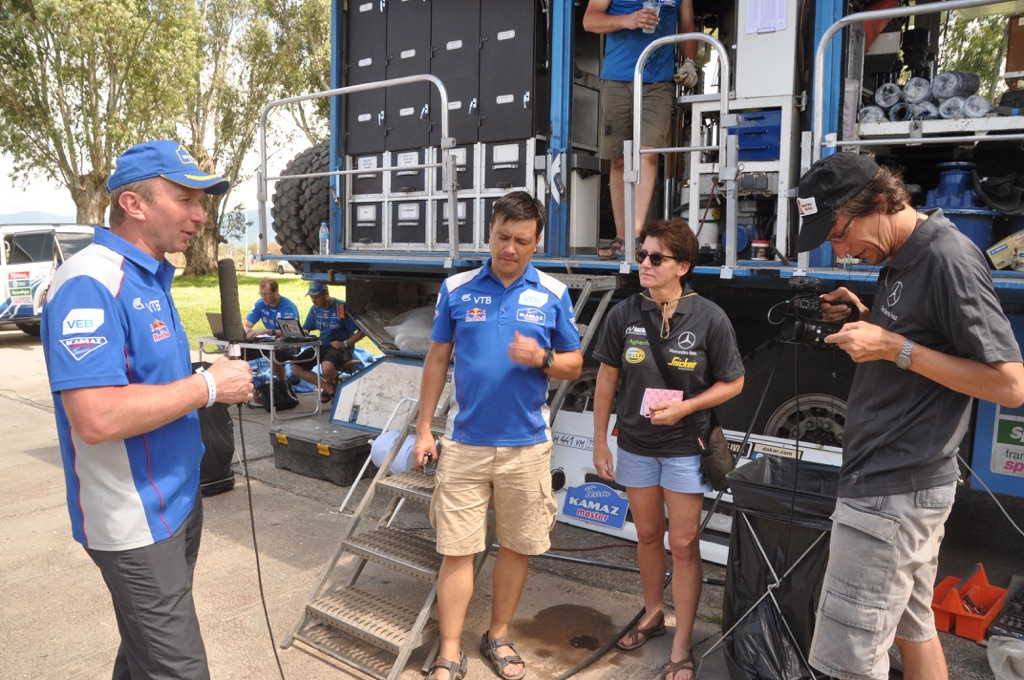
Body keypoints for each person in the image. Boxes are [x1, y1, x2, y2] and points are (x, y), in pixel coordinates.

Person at [795, 152, 1024, 680]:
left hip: (893, 489)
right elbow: (923, 343)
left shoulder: (947, 258)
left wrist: (893, 347)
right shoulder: (904, 255)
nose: (841, 251)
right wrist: (866, 319)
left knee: (849, 661)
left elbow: (1010, 385)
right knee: (912, 627)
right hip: (900, 486)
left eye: (838, 234)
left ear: (879, 202)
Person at [39, 140, 255, 679]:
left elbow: (152, 383)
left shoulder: (151, 275)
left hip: (178, 504)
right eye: (186, 199)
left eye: (201, 202)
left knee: (143, 656)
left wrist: (207, 379)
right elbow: (97, 417)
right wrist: (208, 386)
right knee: (178, 669)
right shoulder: (90, 282)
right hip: (134, 520)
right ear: (134, 204)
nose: (200, 216)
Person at [411, 191, 583, 680]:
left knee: (516, 546)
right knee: (457, 549)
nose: (510, 248)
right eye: (503, 236)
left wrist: (542, 358)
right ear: (490, 232)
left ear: (537, 242)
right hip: (464, 444)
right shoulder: (457, 288)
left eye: (521, 241)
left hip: (526, 448)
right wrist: (424, 429)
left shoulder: (552, 293)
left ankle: (499, 635)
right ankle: (450, 650)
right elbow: (437, 360)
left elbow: (574, 364)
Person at [591, 218, 744, 680]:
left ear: (683, 266)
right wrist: (600, 441)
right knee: (646, 535)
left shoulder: (710, 317)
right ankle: (654, 613)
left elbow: (734, 382)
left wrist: (686, 408)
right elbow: (606, 379)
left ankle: (682, 642)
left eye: (656, 257)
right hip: (636, 445)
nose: (644, 263)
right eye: (642, 255)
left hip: (684, 448)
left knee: (683, 543)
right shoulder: (624, 314)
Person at [583, 0, 697, 260]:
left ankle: (634, 236)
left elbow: (688, 25)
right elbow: (590, 21)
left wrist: (690, 62)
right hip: (617, 78)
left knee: (649, 154)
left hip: (659, 81)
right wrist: (629, 19)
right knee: (619, 159)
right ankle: (622, 236)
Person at [290, 281, 366, 403]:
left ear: (326, 294)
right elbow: (306, 328)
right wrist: (304, 332)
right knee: (295, 367)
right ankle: (329, 388)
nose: (314, 300)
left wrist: (345, 344)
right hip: (321, 346)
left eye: (317, 297)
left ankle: (329, 388)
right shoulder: (315, 309)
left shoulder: (341, 308)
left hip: (339, 348)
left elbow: (363, 331)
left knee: (327, 366)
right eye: (311, 297)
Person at [242, 276, 299, 384]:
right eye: (261, 294)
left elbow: (291, 332)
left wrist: (268, 331)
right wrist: (246, 332)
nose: (264, 298)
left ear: (276, 291)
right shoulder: (260, 304)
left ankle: (283, 384)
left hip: (288, 344)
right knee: (236, 351)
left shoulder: (288, 307)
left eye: (267, 294)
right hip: (267, 344)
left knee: (273, 356)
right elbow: (246, 325)